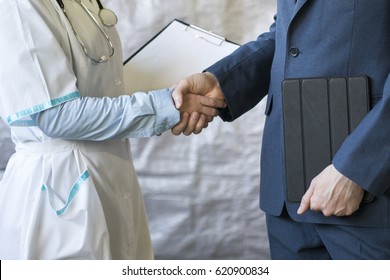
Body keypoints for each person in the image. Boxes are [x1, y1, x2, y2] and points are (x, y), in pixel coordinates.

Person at [0, 0, 224, 259]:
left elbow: (98, 87)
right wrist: (167, 105)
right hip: (59, 186)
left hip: (112, 173)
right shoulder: (18, 5)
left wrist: (173, 94)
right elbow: (53, 116)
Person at [171, 0, 390, 259]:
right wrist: (222, 82)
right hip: (287, 200)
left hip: (367, 191)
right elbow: (291, 32)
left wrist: (357, 169)